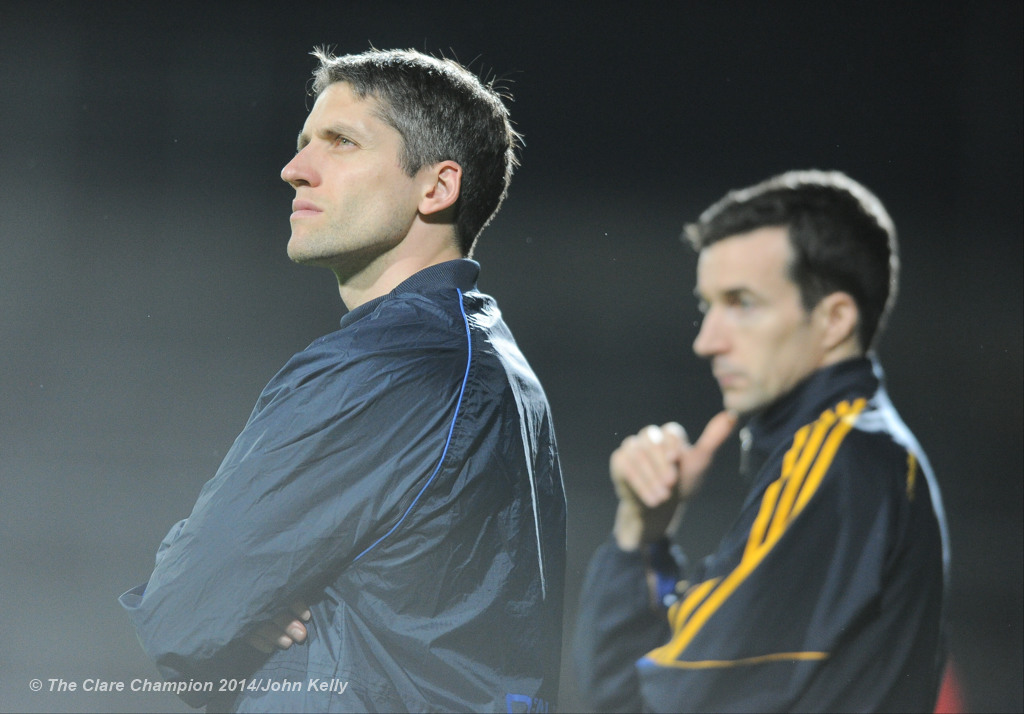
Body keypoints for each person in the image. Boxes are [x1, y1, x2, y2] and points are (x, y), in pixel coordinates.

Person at [120, 47, 566, 713]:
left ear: (436, 188)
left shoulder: (385, 366)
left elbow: (184, 612)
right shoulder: (494, 357)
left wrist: (247, 616)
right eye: (304, 144)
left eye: (340, 142)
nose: (295, 170)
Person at [573, 170, 949, 712]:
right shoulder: (867, 447)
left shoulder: (836, 458)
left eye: (742, 303)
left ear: (834, 319)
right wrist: (643, 526)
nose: (706, 341)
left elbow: (634, 701)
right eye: (707, 306)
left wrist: (636, 551)